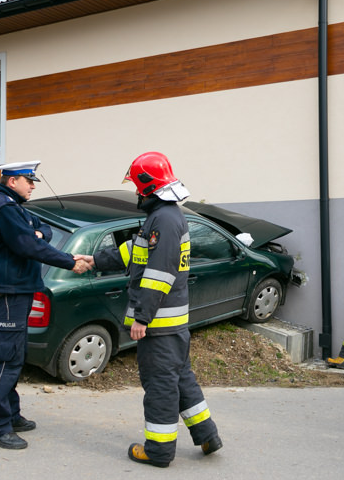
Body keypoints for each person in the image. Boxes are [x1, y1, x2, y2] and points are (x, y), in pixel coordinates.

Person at [85, 152, 221, 468]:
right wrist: (96, 261)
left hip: (159, 324)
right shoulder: (165, 216)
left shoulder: (164, 219)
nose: (135, 192)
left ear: (149, 186)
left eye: (136, 185)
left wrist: (142, 317)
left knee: (160, 385)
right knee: (180, 378)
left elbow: (160, 273)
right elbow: (138, 251)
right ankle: (206, 434)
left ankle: (159, 451)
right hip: (172, 323)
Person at [0, 161, 92, 450]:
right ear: (12, 180)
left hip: (18, 290)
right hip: (8, 293)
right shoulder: (4, 207)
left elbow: (43, 230)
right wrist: (69, 261)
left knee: (15, 355)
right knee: (4, 358)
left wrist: (36, 233)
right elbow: (28, 246)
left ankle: (10, 414)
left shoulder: (14, 206)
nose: (32, 186)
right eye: (29, 181)